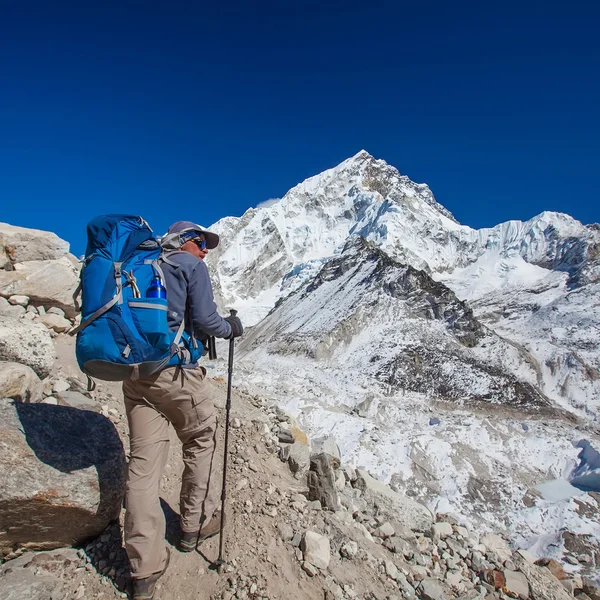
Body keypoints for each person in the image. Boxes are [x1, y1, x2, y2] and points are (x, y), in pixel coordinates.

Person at [122, 220, 243, 600]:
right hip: (177, 376)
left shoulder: (137, 266)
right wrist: (231, 327)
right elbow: (208, 321)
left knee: (143, 467)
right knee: (200, 444)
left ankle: (143, 570)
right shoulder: (190, 267)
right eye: (199, 242)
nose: (205, 249)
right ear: (182, 241)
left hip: (137, 377)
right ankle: (195, 526)